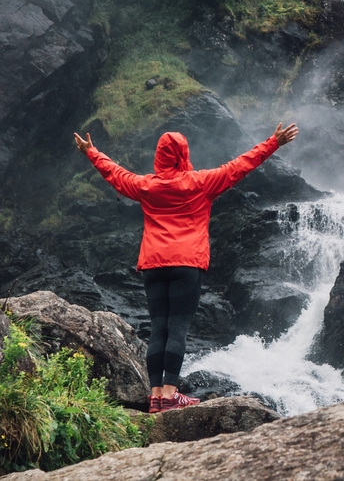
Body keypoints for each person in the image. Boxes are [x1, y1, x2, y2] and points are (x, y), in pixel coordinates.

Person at [73, 122, 299, 413]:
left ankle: (156, 396)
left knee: (159, 328)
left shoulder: (146, 186)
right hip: (186, 264)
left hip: (154, 265)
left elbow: (116, 174)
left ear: (159, 156)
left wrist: (92, 152)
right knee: (177, 328)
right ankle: (169, 394)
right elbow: (239, 166)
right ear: (184, 154)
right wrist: (273, 142)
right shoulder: (200, 182)